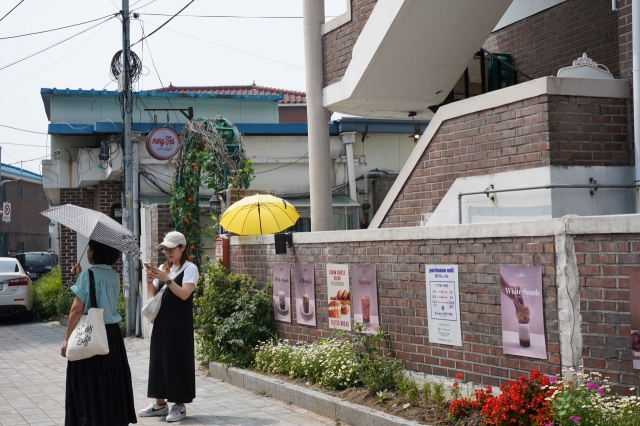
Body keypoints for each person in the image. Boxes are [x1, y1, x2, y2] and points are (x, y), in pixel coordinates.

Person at [62, 239, 137, 426]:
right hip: (111, 335)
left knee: (88, 381)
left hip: (90, 333)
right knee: (109, 381)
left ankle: (90, 420)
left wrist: (66, 339)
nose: (87, 251)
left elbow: (77, 309)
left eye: (89, 248)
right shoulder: (114, 275)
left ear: (93, 252)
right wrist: (80, 277)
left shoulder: (88, 275)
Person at [140, 231, 199, 423]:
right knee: (158, 360)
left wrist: (167, 278)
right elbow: (153, 294)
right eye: (166, 249)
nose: (168, 252)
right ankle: (159, 404)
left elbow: (184, 294)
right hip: (162, 321)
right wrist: (150, 279)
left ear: (183, 248)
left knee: (178, 361)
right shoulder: (163, 268)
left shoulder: (190, 268)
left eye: (172, 248)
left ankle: (179, 405)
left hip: (180, 324)